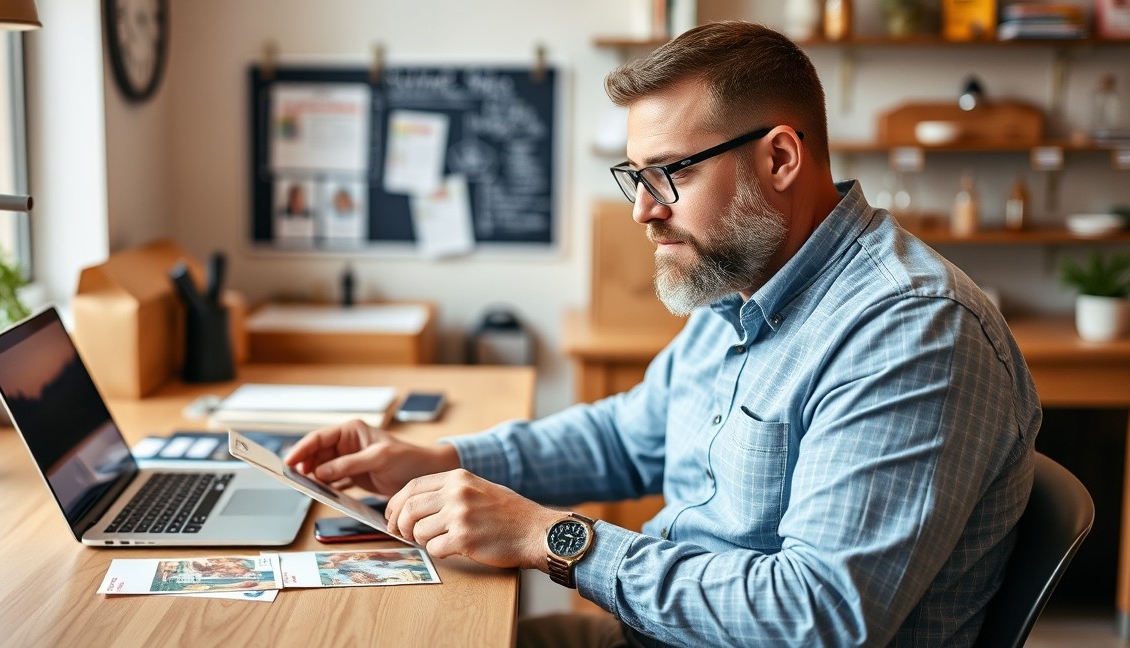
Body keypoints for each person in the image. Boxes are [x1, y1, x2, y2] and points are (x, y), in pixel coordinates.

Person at [284, 21, 1039, 647]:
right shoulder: (746, 282)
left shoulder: (910, 331)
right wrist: (442, 458)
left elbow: (817, 616)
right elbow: (629, 436)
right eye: (636, 177)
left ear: (780, 157)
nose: (644, 209)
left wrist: (555, 538)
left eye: (669, 173)